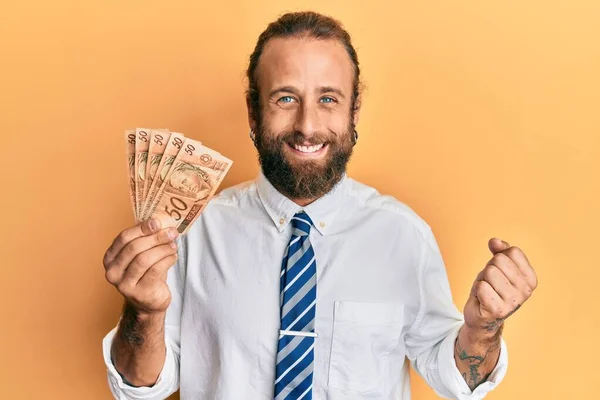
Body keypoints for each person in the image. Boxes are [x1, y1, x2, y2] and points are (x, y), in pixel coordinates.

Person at [102, 11, 538, 400]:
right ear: (253, 113)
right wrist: (143, 312)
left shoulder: (403, 235)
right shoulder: (192, 231)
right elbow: (141, 389)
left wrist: (484, 329)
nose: (307, 126)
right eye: (285, 98)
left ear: (354, 111)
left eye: (328, 99)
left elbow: (455, 379)